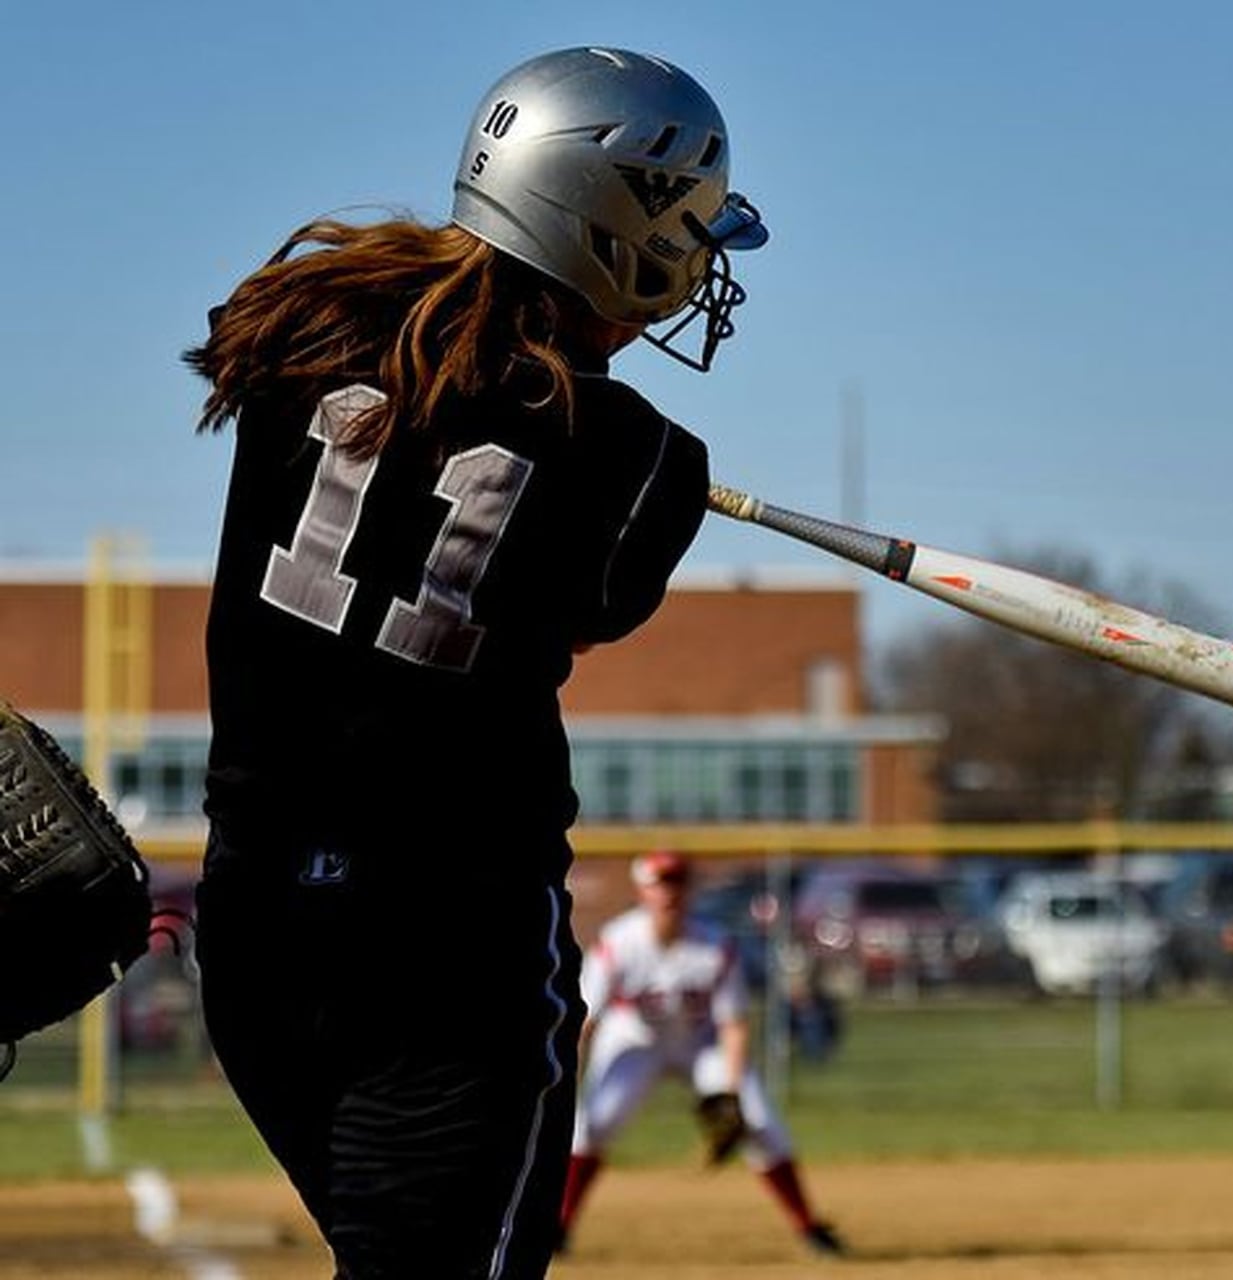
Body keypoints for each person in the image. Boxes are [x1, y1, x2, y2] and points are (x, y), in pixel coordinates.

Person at [183, 47, 767, 1280]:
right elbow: (577, 619)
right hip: (447, 960)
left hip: (256, 939)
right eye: (688, 225)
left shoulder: (304, 331)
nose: (703, 254)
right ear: (615, 233)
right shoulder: (641, 458)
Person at [559, 850, 843, 1257]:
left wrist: (729, 1090)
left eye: (676, 883)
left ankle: (809, 1226)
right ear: (642, 891)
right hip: (634, 1040)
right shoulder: (617, 943)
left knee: (759, 1122)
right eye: (660, 884)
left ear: (688, 890)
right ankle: (558, 1228)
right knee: (592, 1125)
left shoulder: (714, 945)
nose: (668, 893)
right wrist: (566, 1079)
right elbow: (586, 1021)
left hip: (699, 1041)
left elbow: (733, 1022)